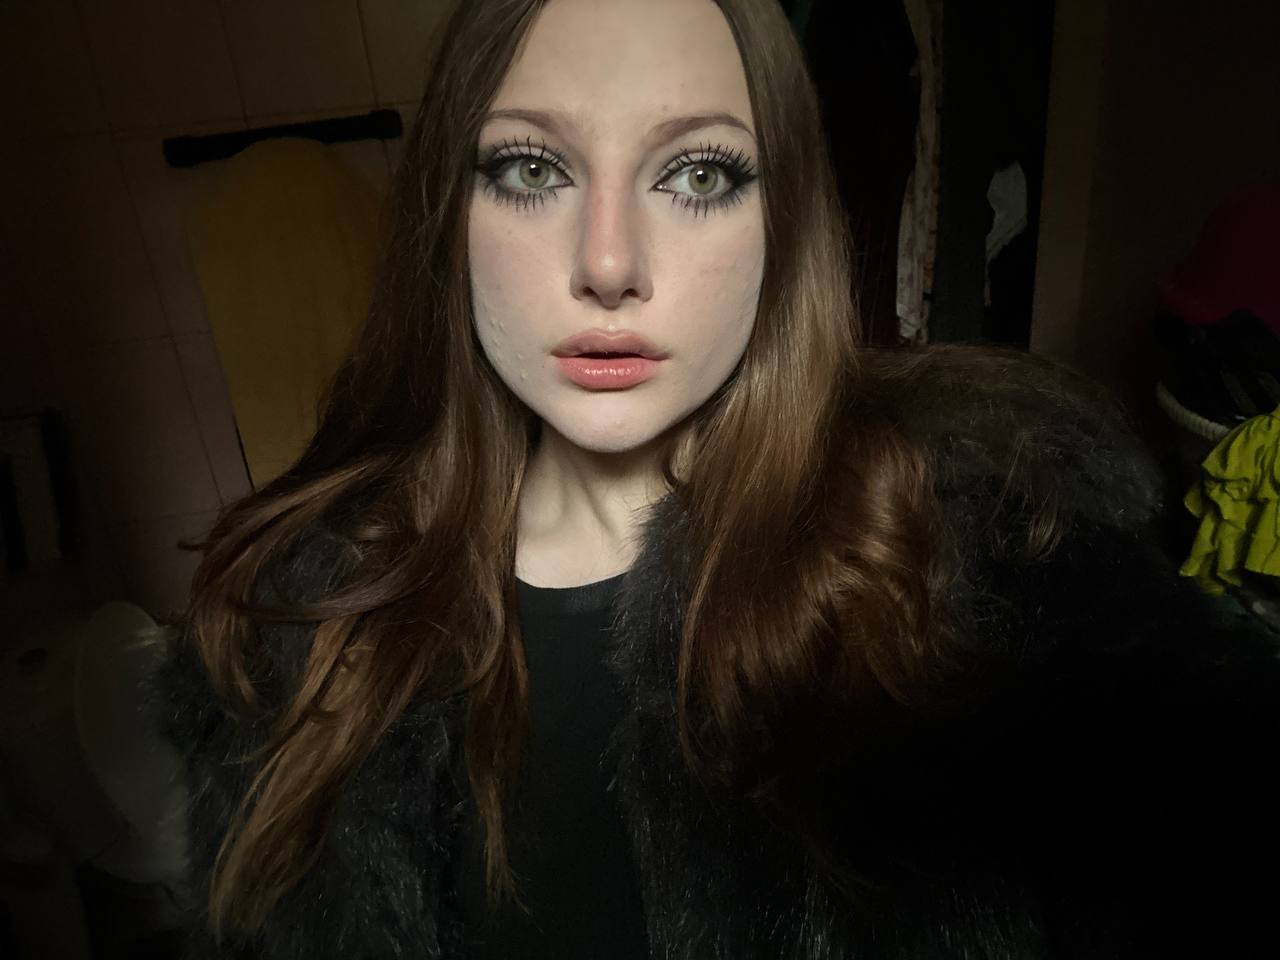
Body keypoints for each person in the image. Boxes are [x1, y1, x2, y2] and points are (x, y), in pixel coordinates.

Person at [145, 0, 1280, 957]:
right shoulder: (304, 626)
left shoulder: (979, 559)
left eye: (696, 172)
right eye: (532, 168)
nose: (607, 263)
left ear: (781, 224)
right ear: (452, 211)